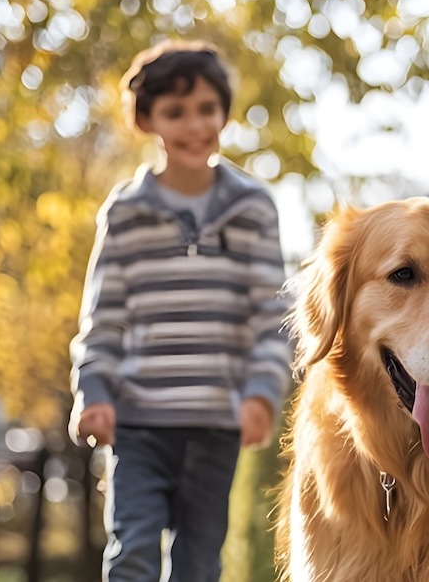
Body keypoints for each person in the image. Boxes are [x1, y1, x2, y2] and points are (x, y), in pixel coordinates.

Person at [68, 41, 293, 581]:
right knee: (134, 552)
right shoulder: (126, 212)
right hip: (140, 422)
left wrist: (263, 392)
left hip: (217, 424)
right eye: (175, 112)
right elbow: (104, 316)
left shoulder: (253, 208)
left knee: (197, 563)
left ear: (225, 112)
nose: (194, 125)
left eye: (206, 110)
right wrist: (93, 392)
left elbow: (270, 315)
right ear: (148, 121)